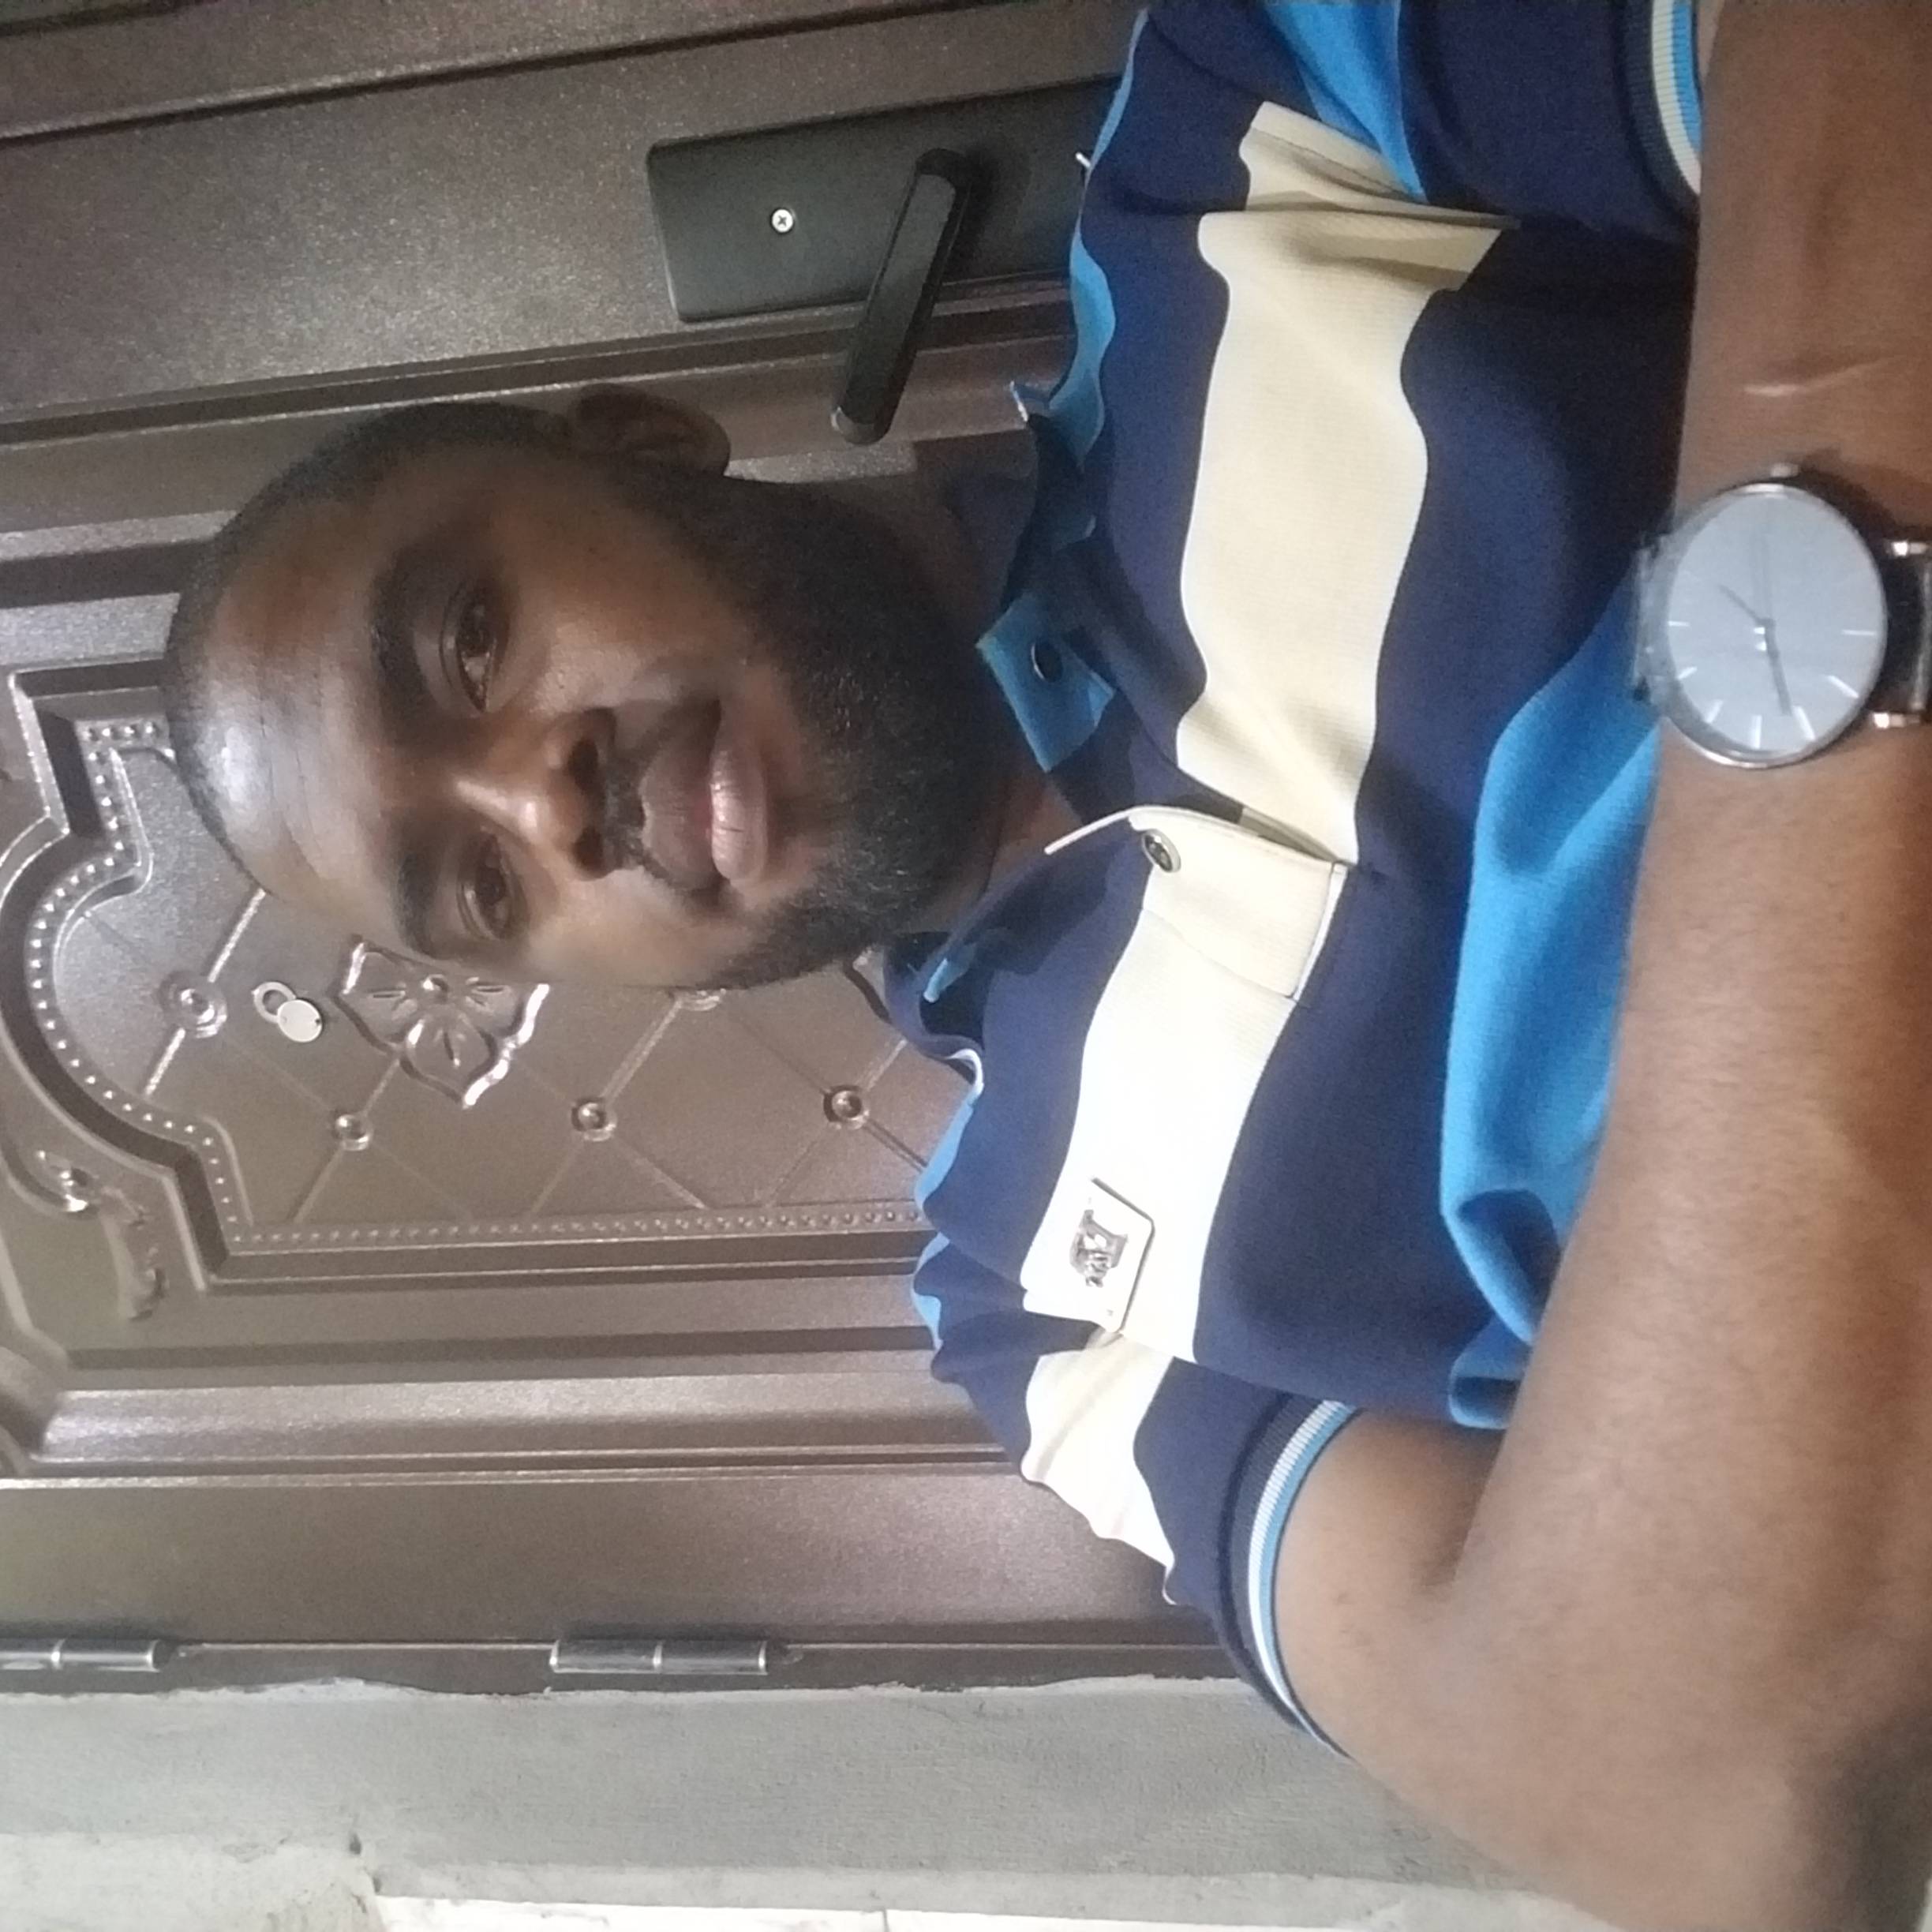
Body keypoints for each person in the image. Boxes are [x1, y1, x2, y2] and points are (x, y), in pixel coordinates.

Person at [159, 2, 1932, 1923]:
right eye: (482, 887)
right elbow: (1697, 1802)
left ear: (638, 444)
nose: (544, 800)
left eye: (470, 642)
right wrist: (1800, 608)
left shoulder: (1244, 133)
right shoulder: (1041, 1316)